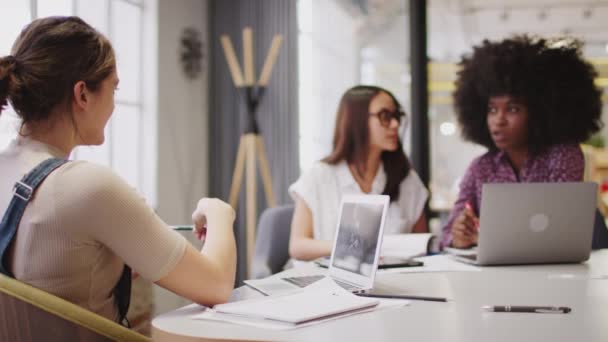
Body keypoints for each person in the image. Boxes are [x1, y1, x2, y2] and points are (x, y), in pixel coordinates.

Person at [0, 16, 236, 324]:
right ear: (82, 94)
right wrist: (219, 212)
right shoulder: (87, 186)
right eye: (114, 88)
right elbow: (215, 285)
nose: (113, 104)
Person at [442, 35, 603, 249]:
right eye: (492, 109)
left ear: (538, 113)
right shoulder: (480, 168)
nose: (499, 120)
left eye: (512, 109)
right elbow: (445, 237)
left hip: (554, 274)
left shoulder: (562, 155)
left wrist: (487, 240)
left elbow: (561, 230)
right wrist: (458, 235)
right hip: (496, 276)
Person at [289, 85, 428, 261]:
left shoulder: (407, 180)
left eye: (396, 116)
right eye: (385, 116)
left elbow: (422, 249)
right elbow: (297, 246)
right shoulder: (319, 176)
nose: (395, 124)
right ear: (357, 120)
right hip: (324, 282)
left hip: (393, 283)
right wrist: (352, 246)